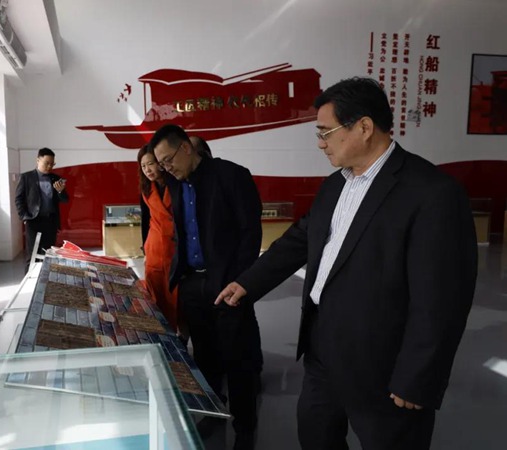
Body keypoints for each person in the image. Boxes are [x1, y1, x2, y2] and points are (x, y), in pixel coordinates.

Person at [216, 77, 478, 450]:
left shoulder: (431, 193)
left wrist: (418, 377)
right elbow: (300, 239)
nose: (320, 143)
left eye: (326, 132)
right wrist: (248, 282)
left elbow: (442, 300)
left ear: (364, 127)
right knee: (315, 436)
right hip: (322, 350)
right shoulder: (335, 185)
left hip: (384, 364)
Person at [150, 124, 264, 450]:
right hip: (193, 283)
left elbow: (250, 233)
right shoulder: (176, 183)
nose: (166, 167)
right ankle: (213, 413)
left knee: (238, 360)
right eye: (161, 163)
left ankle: (245, 429)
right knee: (205, 358)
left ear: (187, 147)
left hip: (228, 284)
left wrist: (240, 280)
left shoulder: (231, 176)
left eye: (169, 159)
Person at [138, 144, 179, 330]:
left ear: (161, 163)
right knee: (156, 298)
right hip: (154, 249)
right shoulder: (146, 189)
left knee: (177, 299)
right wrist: (144, 250)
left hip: (175, 248)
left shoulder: (177, 184)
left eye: (150, 164)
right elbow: (145, 221)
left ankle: (181, 336)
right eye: (143, 166)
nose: (147, 170)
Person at [15, 147, 69, 272]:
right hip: (33, 221)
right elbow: (18, 199)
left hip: (50, 222)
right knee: (32, 256)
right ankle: (29, 281)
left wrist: (60, 191)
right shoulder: (26, 177)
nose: (49, 166)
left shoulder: (56, 178)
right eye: (47, 163)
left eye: (52, 164)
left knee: (48, 255)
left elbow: (65, 199)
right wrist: (24, 217)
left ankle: (45, 280)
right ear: (38, 160)